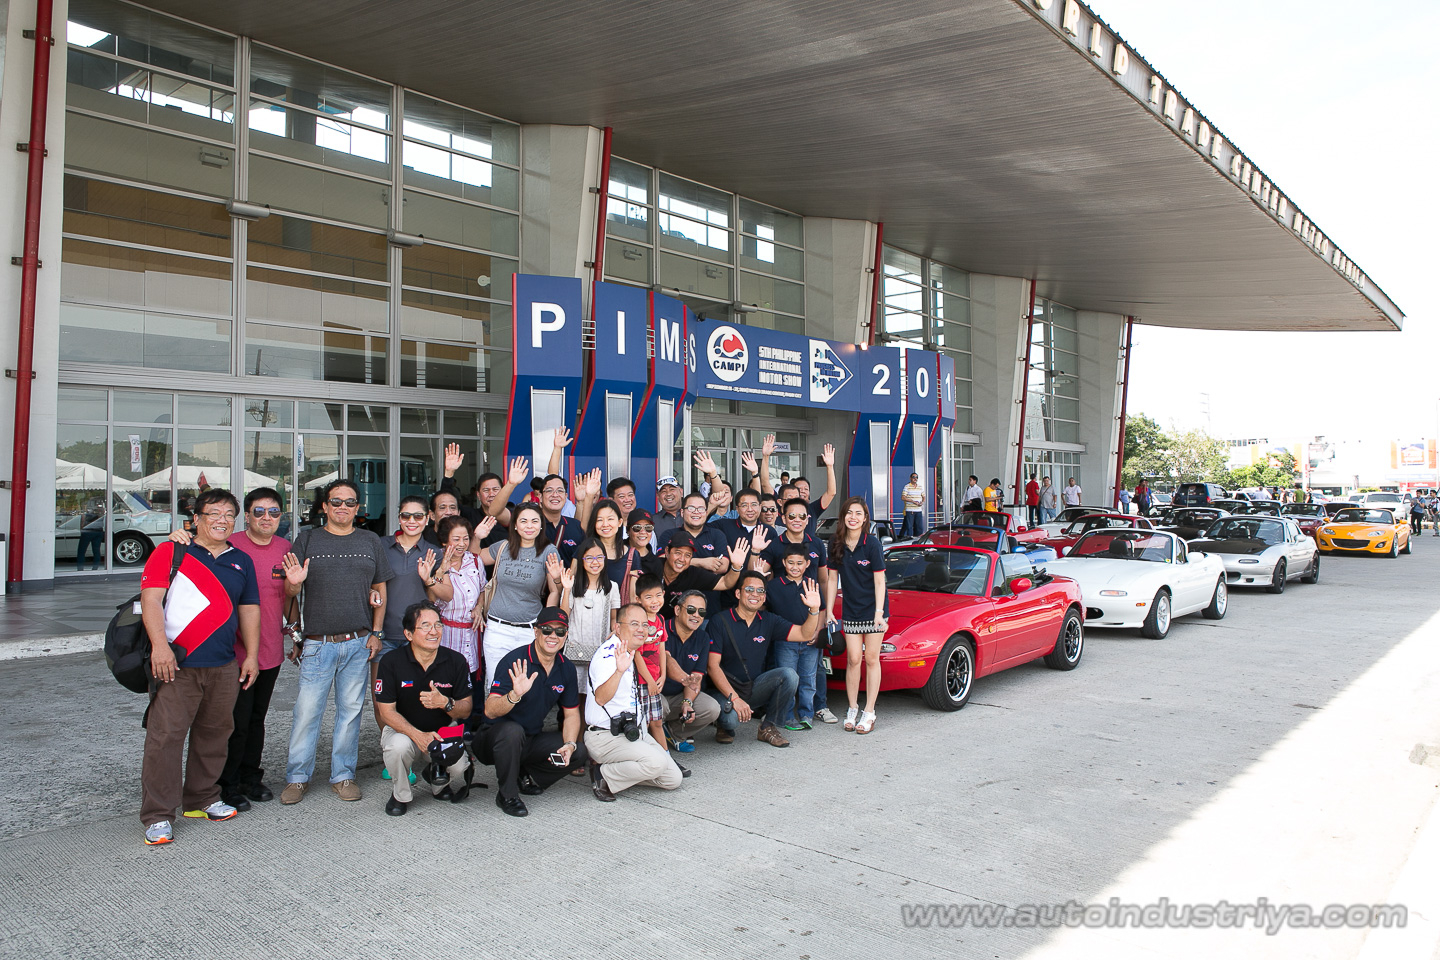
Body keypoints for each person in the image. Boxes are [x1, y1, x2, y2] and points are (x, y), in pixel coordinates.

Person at [138, 488, 260, 845]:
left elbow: (249, 609)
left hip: (223, 665)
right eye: (214, 513)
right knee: (165, 738)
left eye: (229, 515)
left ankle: (201, 798)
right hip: (177, 664)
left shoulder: (241, 560)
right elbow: (151, 600)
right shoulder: (172, 551)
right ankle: (158, 815)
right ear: (196, 518)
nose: (222, 520)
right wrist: (160, 647)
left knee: (215, 734)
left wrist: (251, 655)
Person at [165, 486, 290, 811]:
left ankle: (250, 777)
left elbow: (289, 596)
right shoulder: (228, 544)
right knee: (232, 721)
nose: (266, 517)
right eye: (258, 511)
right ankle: (226, 784)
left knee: (257, 718)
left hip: (269, 649)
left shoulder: (285, 548)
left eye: (273, 512)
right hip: (232, 653)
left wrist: (295, 632)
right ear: (246, 517)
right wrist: (179, 536)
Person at [280, 478, 392, 806]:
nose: (343, 507)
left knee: (351, 712)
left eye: (349, 502)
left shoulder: (370, 540)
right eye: (336, 501)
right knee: (307, 712)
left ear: (358, 508)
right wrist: (293, 584)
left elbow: (380, 588)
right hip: (318, 644)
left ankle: (343, 775)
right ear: (325, 507)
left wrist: (377, 633)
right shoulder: (307, 539)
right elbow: (290, 592)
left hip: (358, 642)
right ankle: (297, 778)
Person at [477, 607, 587, 817]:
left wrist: (569, 744)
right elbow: (490, 711)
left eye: (560, 631)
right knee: (512, 731)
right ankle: (507, 795)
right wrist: (514, 695)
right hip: (494, 739)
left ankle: (525, 775)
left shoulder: (566, 668)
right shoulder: (515, 661)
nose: (553, 636)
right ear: (536, 631)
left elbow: (572, 713)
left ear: (566, 635)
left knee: (579, 751)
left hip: (530, 740)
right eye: (547, 630)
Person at [374, 601, 475, 816]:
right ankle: (400, 795)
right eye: (425, 626)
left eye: (438, 625)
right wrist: (418, 736)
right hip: (403, 731)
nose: (434, 631)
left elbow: (466, 709)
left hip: (443, 731)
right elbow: (386, 712)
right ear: (409, 634)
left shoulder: (456, 661)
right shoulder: (391, 662)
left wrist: (445, 703)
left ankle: (438, 781)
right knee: (397, 747)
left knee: (459, 766)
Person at [707, 572, 820, 748]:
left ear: (764, 597)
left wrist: (813, 610)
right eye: (749, 589)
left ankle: (767, 727)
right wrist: (735, 699)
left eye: (760, 591)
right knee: (731, 721)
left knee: (789, 675)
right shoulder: (719, 621)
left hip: (752, 687)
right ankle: (723, 724)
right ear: (738, 593)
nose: (755, 594)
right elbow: (712, 666)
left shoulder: (769, 620)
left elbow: (804, 634)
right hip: (724, 691)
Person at [584, 604, 684, 802]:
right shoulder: (609, 655)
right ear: (617, 627)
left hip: (632, 731)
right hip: (606, 736)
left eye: (645, 625)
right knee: (656, 763)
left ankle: (626, 770)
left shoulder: (629, 650)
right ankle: (603, 775)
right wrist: (619, 671)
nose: (641, 629)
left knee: (673, 779)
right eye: (634, 624)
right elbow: (601, 698)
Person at [481, 502, 565, 691]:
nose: (529, 526)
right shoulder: (503, 547)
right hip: (497, 629)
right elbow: (473, 559)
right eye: (524, 521)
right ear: (515, 525)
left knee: (527, 687)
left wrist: (545, 625)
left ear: (541, 525)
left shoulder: (548, 551)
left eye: (534, 521)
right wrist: (477, 537)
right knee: (495, 685)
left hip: (529, 630)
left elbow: (555, 591)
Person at [823, 496, 887, 736]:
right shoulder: (835, 542)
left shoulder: (872, 544)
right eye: (849, 512)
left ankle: (869, 711)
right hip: (851, 610)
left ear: (865, 518)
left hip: (874, 610)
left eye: (858, 513)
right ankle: (852, 708)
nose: (853, 517)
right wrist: (830, 610)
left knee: (871, 659)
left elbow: (880, 581)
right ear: (843, 516)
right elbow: (832, 579)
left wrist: (879, 613)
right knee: (853, 659)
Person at [766, 544, 824, 731]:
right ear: (784, 562)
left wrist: (817, 630)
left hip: (810, 642)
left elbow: (821, 609)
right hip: (785, 641)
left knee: (808, 679)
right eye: (791, 562)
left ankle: (807, 714)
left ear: (807, 564)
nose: (795, 567)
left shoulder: (812, 585)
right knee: (788, 680)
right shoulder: (774, 586)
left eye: (800, 563)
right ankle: (787, 716)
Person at [426, 516, 487, 680]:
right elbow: (431, 599)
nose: (462, 544)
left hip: (472, 635)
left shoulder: (475, 561)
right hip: (447, 635)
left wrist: (479, 607)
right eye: (456, 539)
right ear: (444, 540)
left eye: (465, 538)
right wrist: (441, 571)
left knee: (472, 682)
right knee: (447, 678)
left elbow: (483, 589)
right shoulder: (435, 561)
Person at [662, 591, 722, 750]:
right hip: (656, 694)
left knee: (712, 708)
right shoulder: (661, 629)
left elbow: (697, 675)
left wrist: (687, 702)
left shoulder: (703, 637)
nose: (696, 615)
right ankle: (653, 736)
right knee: (661, 707)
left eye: (701, 612)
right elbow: (667, 661)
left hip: (678, 695)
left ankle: (673, 733)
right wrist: (685, 679)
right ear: (677, 610)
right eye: (691, 609)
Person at [565, 538, 620, 705]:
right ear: (582, 560)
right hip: (575, 648)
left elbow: (613, 618)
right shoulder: (573, 585)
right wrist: (566, 589)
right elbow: (564, 615)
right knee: (574, 698)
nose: (595, 562)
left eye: (599, 557)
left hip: (599, 650)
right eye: (589, 558)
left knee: (594, 695)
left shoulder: (612, 587)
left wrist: (615, 629)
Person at [632, 574, 673, 763]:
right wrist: (649, 681)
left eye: (658, 595)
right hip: (642, 681)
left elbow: (662, 648)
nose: (655, 601)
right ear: (638, 599)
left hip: (655, 680)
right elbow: (637, 655)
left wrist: (663, 675)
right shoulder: (639, 625)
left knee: (657, 721)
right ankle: (643, 759)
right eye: (648, 597)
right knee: (641, 722)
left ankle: (666, 758)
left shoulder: (661, 620)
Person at [656, 493, 730, 573]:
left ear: (706, 513)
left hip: (709, 581)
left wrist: (679, 563)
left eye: (701, 509)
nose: (696, 512)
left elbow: (723, 567)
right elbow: (662, 562)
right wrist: (701, 562)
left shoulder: (717, 535)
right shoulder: (669, 534)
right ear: (682, 512)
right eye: (691, 508)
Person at [653, 476, 684, 541]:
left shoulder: (693, 515)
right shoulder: (652, 521)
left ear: (681, 492)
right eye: (663, 491)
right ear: (658, 496)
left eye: (672, 489)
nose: (668, 494)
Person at [900, 473, 926, 539]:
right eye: (913, 477)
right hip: (910, 510)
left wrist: (922, 502)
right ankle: (910, 540)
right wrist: (913, 501)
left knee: (919, 527)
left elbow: (924, 496)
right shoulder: (907, 487)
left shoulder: (920, 487)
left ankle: (919, 540)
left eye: (916, 477)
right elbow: (903, 497)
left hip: (918, 510)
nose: (915, 478)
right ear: (910, 478)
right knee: (910, 527)